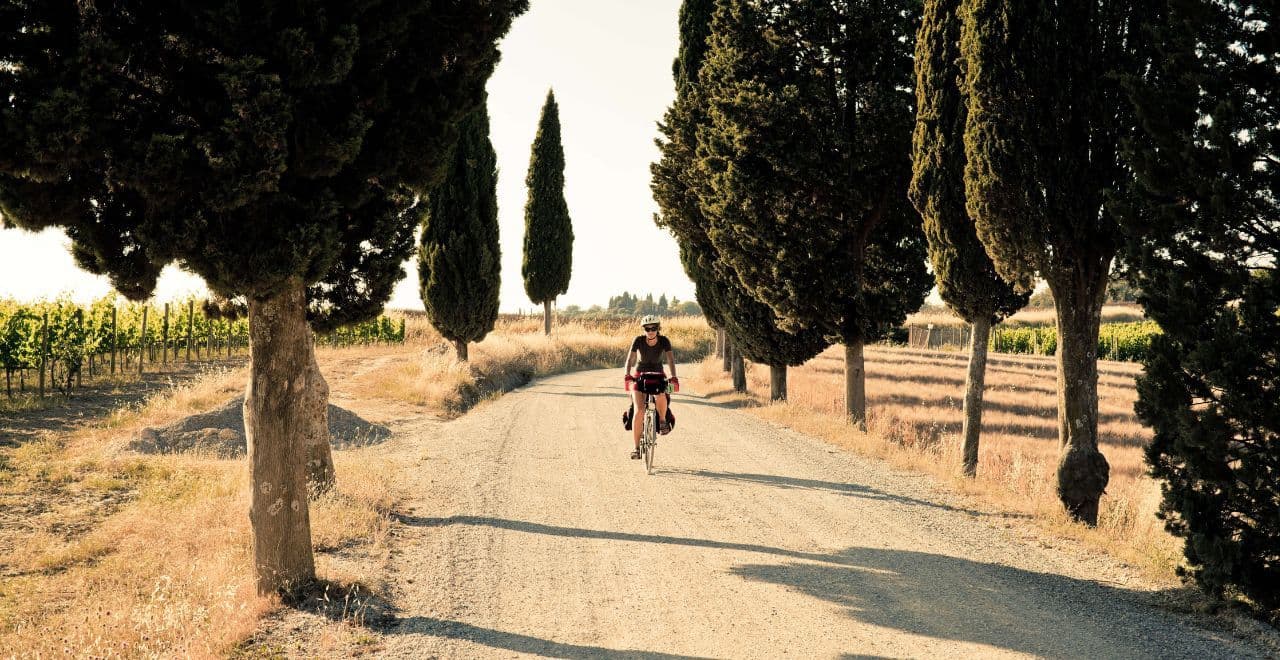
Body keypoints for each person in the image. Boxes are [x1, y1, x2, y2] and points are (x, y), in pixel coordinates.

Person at [623, 314, 678, 459]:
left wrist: (673, 377)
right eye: (647, 328)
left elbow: (670, 359)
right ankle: (635, 448)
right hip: (639, 375)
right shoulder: (638, 340)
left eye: (653, 328)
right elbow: (631, 358)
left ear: (658, 328)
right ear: (644, 330)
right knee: (639, 410)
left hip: (658, 374)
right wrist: (627, 375)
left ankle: (662, 420)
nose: (651, 331)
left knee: (663, 394)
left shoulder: (664, 340)